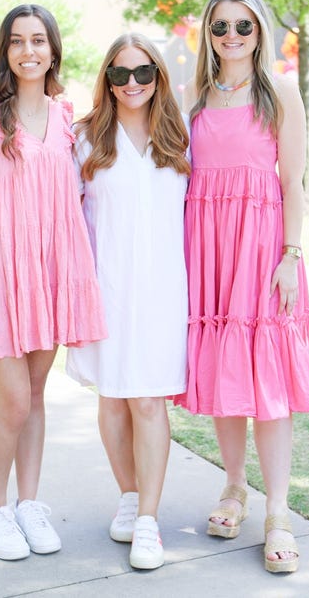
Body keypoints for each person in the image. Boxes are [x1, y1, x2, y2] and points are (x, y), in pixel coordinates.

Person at [0, 4, 107, 561]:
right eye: (17, 41)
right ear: (5, 51)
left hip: (51, 271)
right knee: (11, 402)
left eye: (38, 40)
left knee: (36, 397)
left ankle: (30, 505)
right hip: (0, 272)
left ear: (53, 49)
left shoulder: (65, 115)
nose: (28, 51)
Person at [174, 0, 309, 573]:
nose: (232, 36)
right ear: (207, 34)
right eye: (221, 26)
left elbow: (293, 182)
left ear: (260, 30)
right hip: (208, 249)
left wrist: (291, 254)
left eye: (244, 25)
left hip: (262, 249)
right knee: (225, 369)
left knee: (268, 382)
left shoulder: (280, 93)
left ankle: (279, 511)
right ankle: (234, 487)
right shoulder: (196, 94)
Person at [66, 33, 190, 570]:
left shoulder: (180, 139)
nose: (132, 84)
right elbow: (65, 218)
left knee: (147, 401)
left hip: (164, 292)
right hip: (106, 288)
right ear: (107, 79)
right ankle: (127, 495)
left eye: (143, 73)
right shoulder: (86, 139)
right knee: (113, 397)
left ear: (158, 77)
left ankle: (148, 520)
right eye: (120, 74)